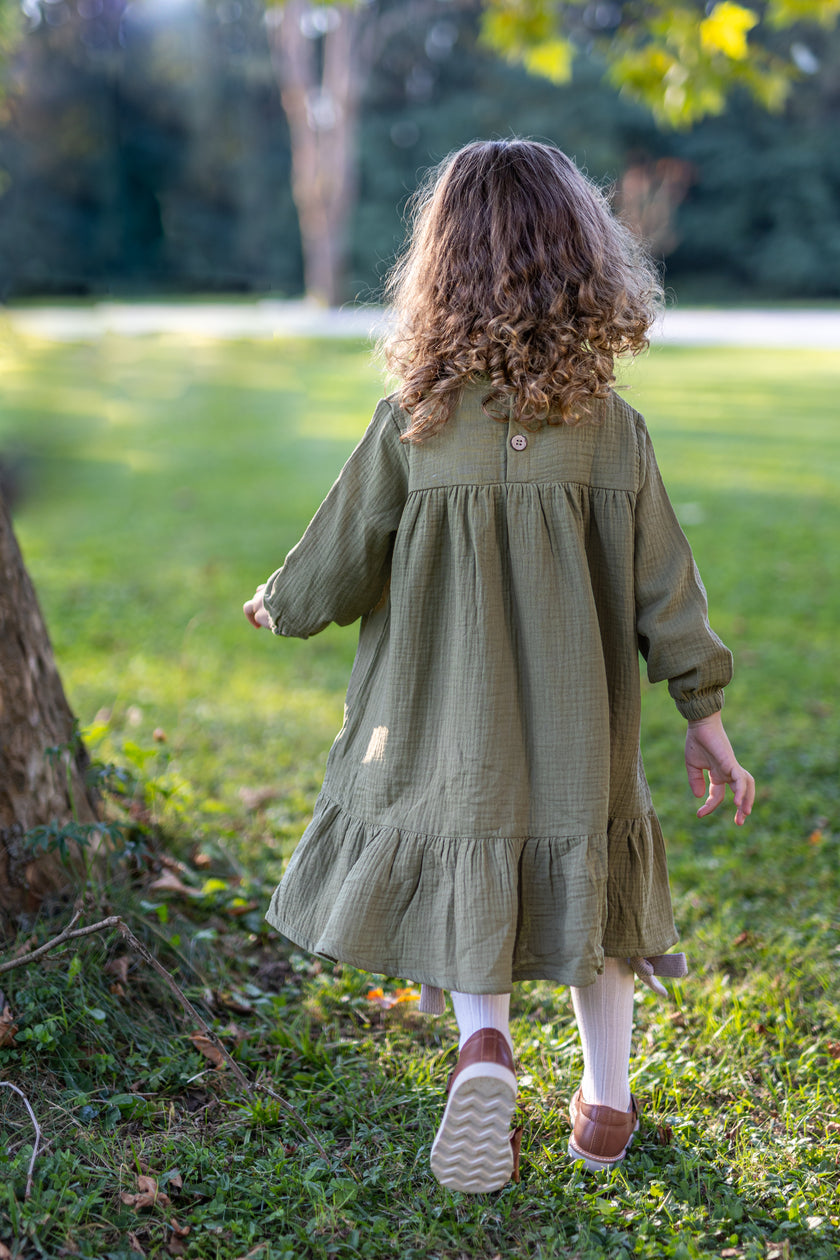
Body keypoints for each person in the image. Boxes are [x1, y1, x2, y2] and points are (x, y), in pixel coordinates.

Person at [243, 139, 755, 1193]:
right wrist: (703, 709)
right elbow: (669, 587)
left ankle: (486, 1046)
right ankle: (606, 1106)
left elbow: (337, 557)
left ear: (438, 273)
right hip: (583, 737)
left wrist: (279, 606)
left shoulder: (413, 429)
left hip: (449, 728)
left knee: (470, 867)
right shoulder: (615, 436)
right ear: (587, 265)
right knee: (595, 894)